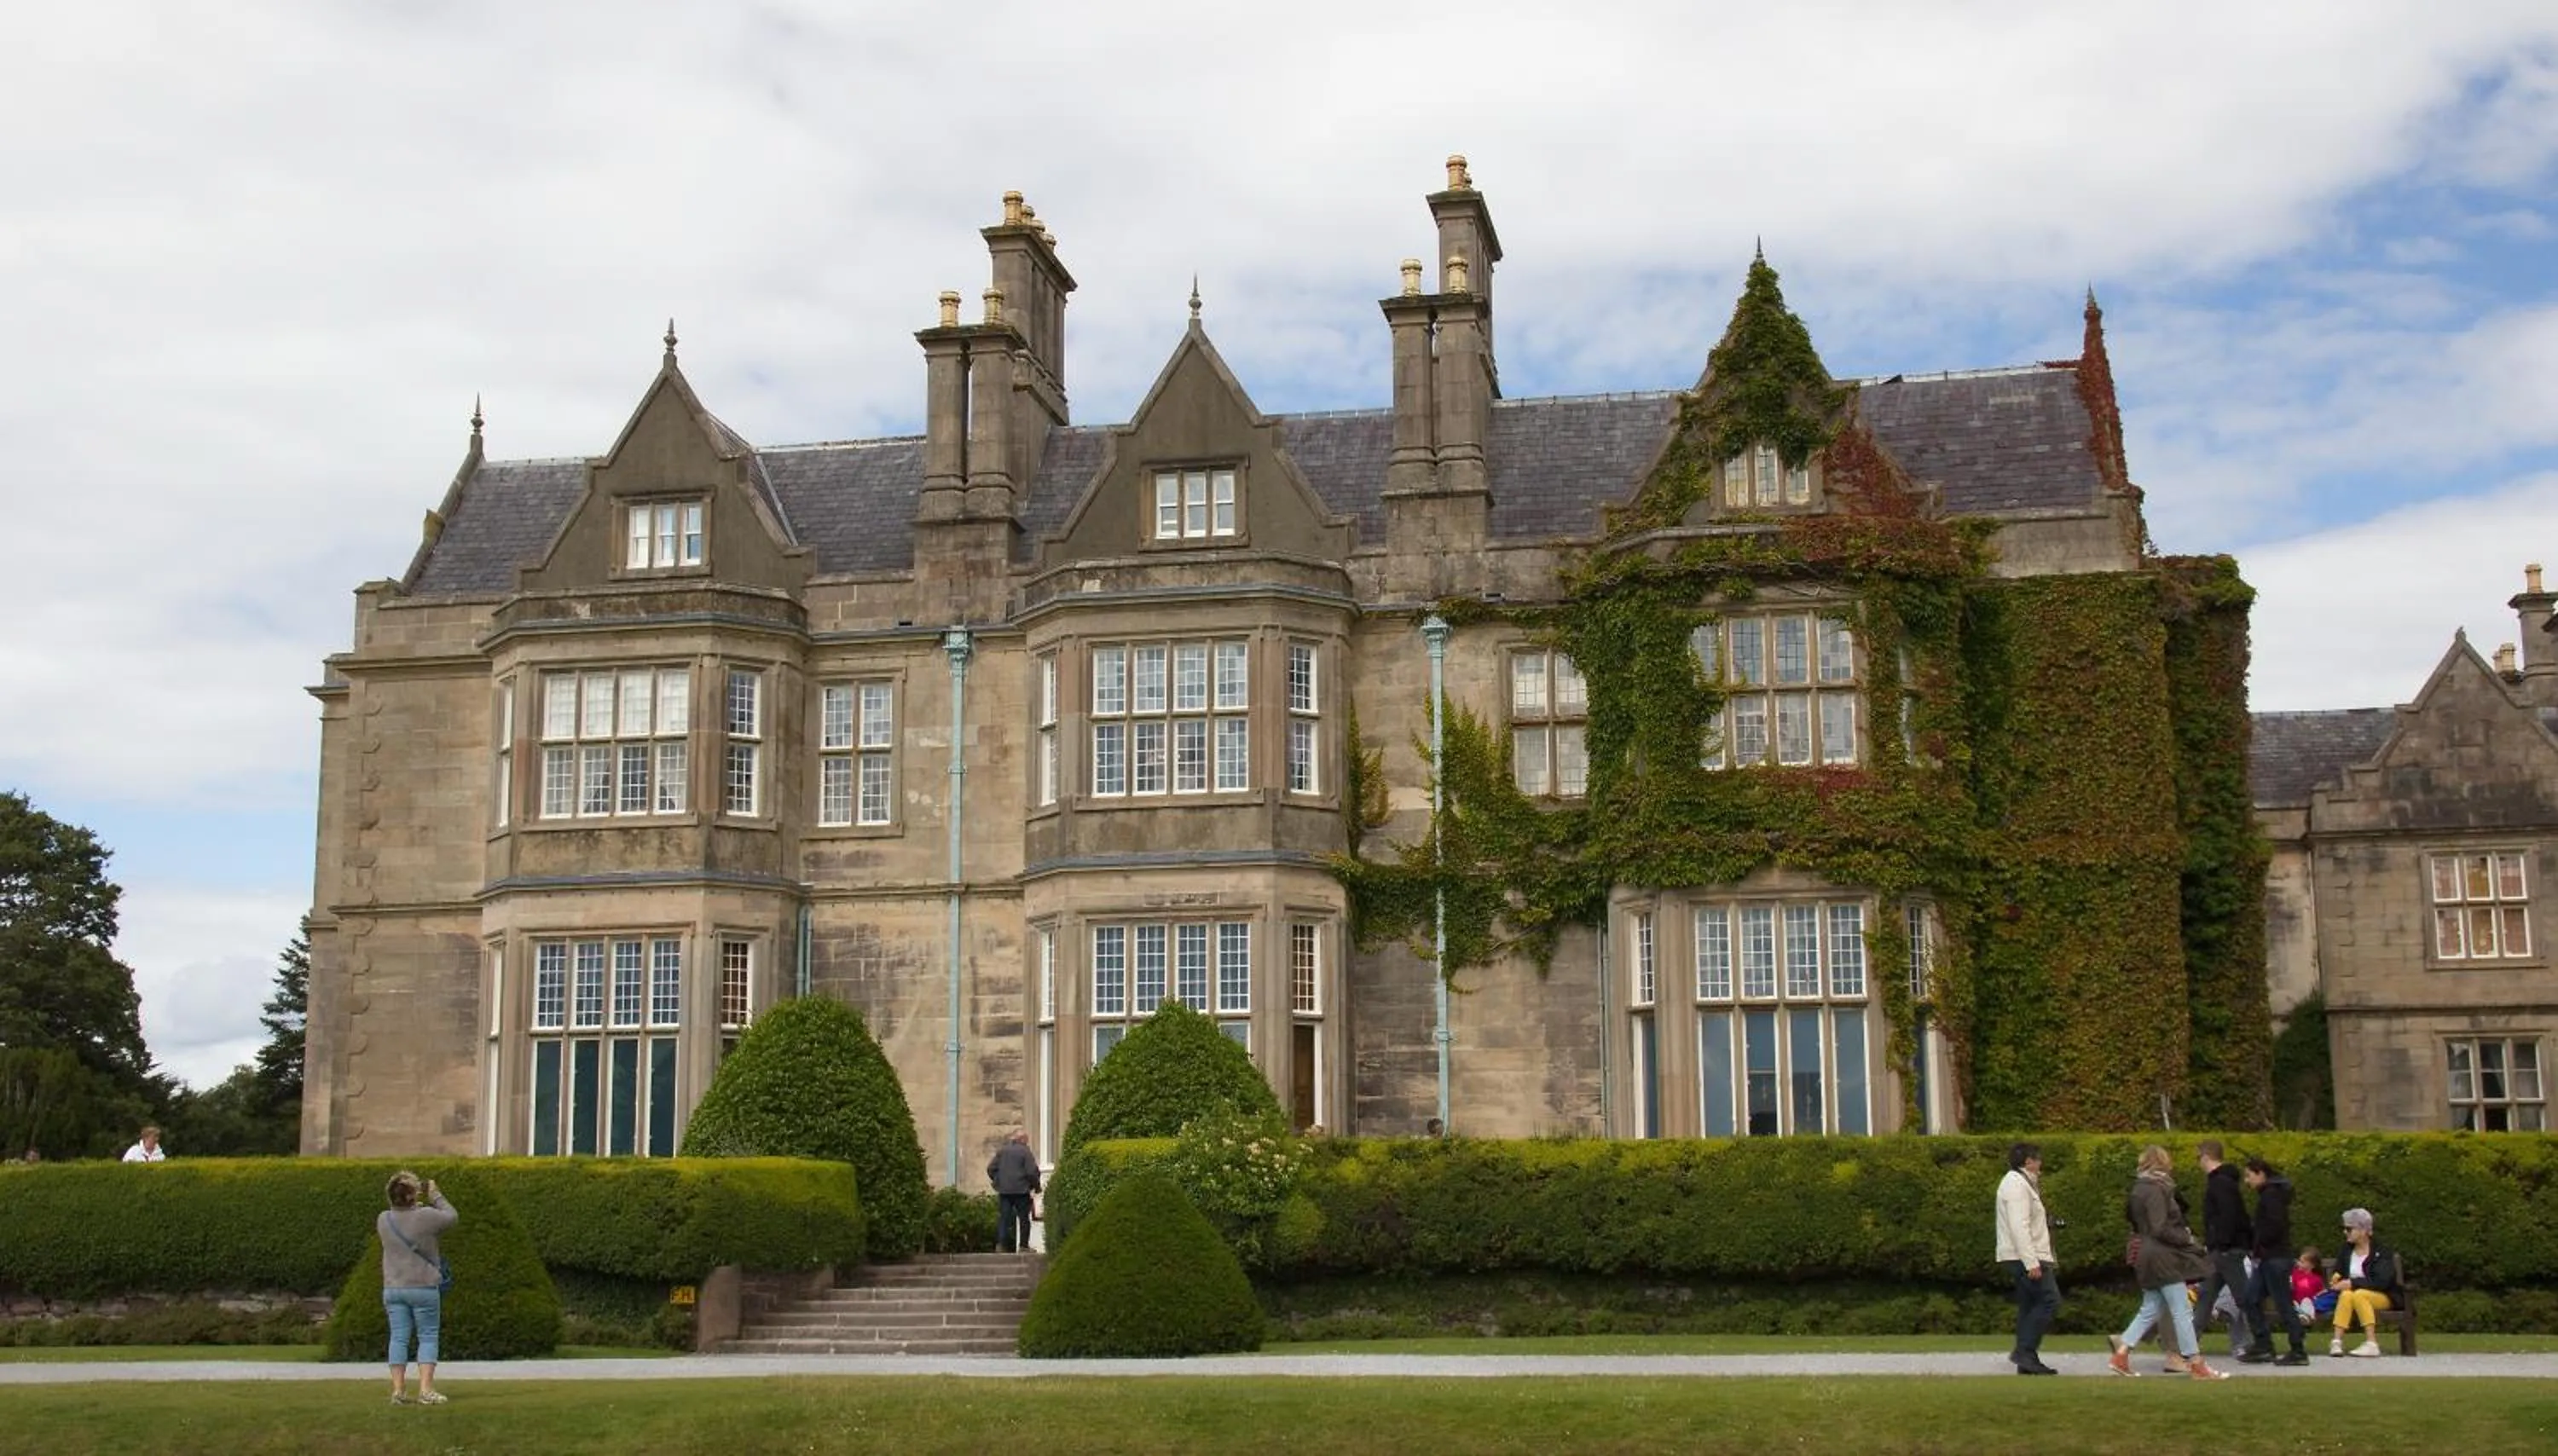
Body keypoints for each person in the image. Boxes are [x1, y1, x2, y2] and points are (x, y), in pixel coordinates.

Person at [2106, 1144, 2231, 1380]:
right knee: (2181, 1310)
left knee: (2151, 1308)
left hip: (2146, 1251)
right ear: (2163, 1164)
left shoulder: (2139, 1188)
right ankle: (2196, 1363)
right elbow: (2159, 1227)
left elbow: (2139, 1222)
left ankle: (2121, 1354)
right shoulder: (2156, 1188)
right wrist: (2188, 1241)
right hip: (2162, 1254)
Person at [379, 1171, 457, 1405]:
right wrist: (436, 1195)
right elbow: (452, 1217)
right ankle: (425, 1390)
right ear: (413, 1196)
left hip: (393, 1287)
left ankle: (398, 1391)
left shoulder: (383, 1219)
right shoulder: (426, 1216)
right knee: (428, 1336)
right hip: (422, 1286)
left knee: (398, 1338)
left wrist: (414, 1207)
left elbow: (404, 1217)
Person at [1993, 1141, 2061, 1375]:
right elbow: (2018, 1225)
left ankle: (2027, 1360)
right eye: (2038, 1159)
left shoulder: (2023, 1185)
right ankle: (2024, 1351)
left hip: (2024, 1254)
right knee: (2049, 1300)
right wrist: (2031, 1262)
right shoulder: (2016, 1185)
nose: (2041, 1163)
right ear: (2028, 1162)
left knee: (2029, 1305)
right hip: (2023, 1256)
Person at [2238, 1157, 2310, 1365]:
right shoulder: (2271, 1194)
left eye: (2249, 1176)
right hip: (2269, 1257)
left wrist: (2260, 1242)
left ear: (2260, 1173)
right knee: (2251, 1298)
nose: (2247, 1181)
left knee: (2282, 1303)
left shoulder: (2271, 1196)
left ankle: (2297, 1349)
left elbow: (2274, 1226)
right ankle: (2263, 1345)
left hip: (2274, 1257)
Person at [2195, 1141, 2253, 1361]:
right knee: (2206, 1295)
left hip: (2225, 1250)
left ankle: (2251, 1342)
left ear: (2206, 1157)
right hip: (2222, 1250)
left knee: (2240, 1297)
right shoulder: (2225, 1182)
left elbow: (2227, 1216)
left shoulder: (2220, 1184)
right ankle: (2189, 1342)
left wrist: (2222, 1243)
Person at [2328, 1206, 2404, 1357]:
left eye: (2349, 1229)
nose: (2345, 1232)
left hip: (2382, 1296)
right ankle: (2336, 1342)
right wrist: (2337, 1280)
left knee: (2359, 1294)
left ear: (2363, 1231)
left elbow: (2381, 1281)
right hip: (2352, 1295)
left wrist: (2353, 1283)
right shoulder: (2346, 1250)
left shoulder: (2381, 1252)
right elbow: (2340, 1271)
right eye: (2345, 1228)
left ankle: (2371, 1342)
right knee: (2347, 1295)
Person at [987, 1130, 1042, 1254]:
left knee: (1004, 1218)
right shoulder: (1025, 1152)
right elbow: (1031, 1172)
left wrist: (998, 1181)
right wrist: (1036, 1187)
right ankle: (1023, 1246)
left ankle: (1001, 1245)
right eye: (1026, 1140)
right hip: (1021, 1191)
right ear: (1022, 1140)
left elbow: (991, 1169)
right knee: (1024, 1219)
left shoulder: (1002, 1151)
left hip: (1004, 1191)